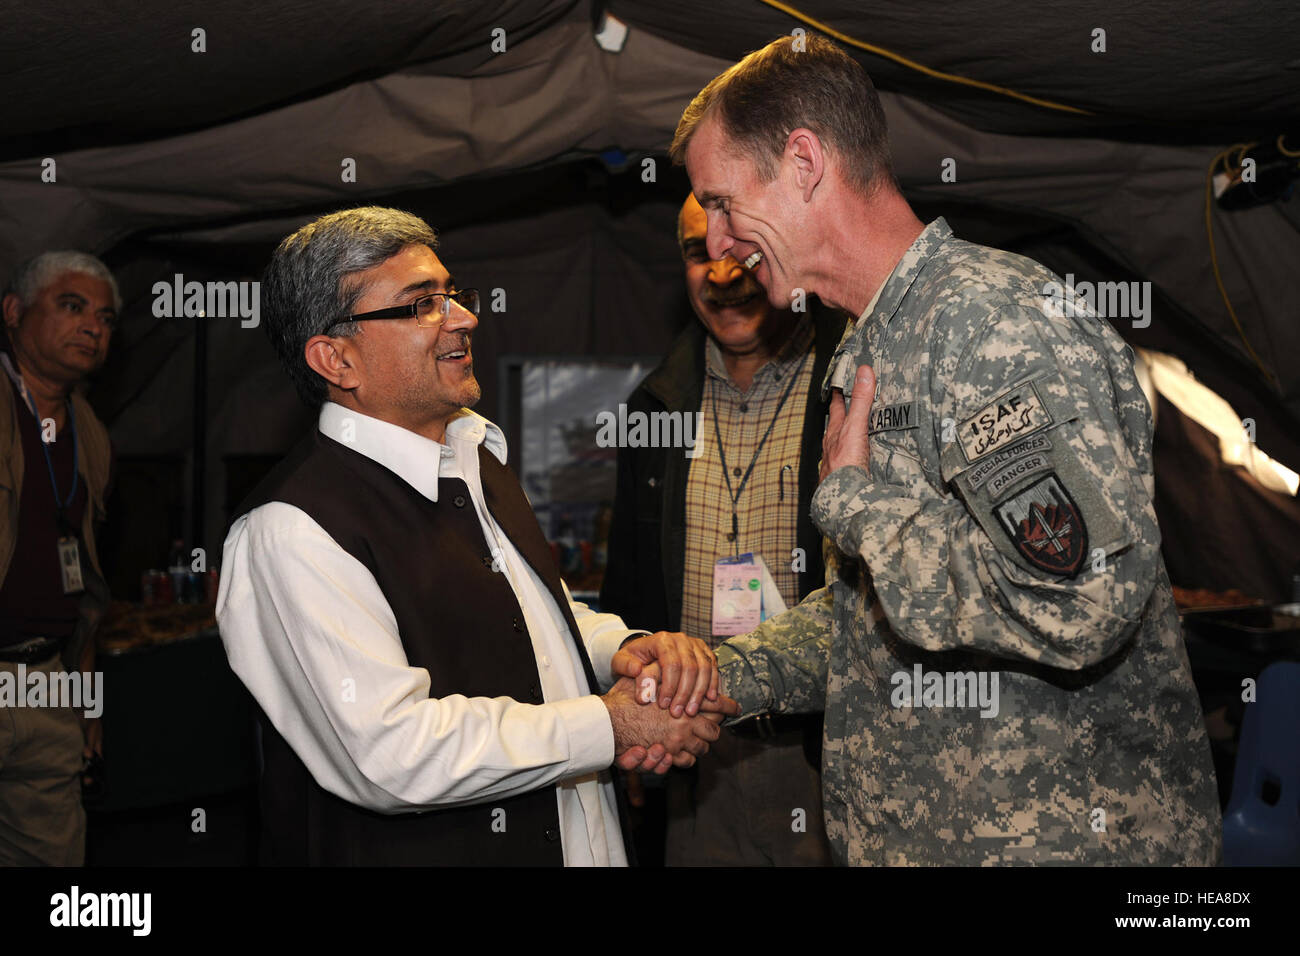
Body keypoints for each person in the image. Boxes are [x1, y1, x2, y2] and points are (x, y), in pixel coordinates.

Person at [644, 34, 1223, 864]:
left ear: (803, 162)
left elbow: (1083, 597)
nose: (724, 245)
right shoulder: (867, 345)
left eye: (725, 203)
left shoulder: (991, 323)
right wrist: (725, 680)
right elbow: (876, 617)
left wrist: (858, 504)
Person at [216, 206, 736, 866]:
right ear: (336, 358)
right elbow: (391, 752)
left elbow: (531, 617)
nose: (464, 317)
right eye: (419, 305)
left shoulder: (474, 455)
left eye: (451, 295)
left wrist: (622, 649)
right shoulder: (290, 532)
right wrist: (610, 723)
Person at [601, 193, 839, 865]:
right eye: (697, 251)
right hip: (694, 748)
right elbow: (629, 586)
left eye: (739, 251)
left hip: (820, 749)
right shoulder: (656, 406)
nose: (721, 273)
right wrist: (627, 724)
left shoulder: (847, 389)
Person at [0, 252, 118, 865]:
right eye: (72, 306)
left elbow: (87, 589)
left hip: (46, 683)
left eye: (104, 317)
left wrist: (85, 703)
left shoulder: (90, 432)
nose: (93, 326)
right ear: (14, 313)